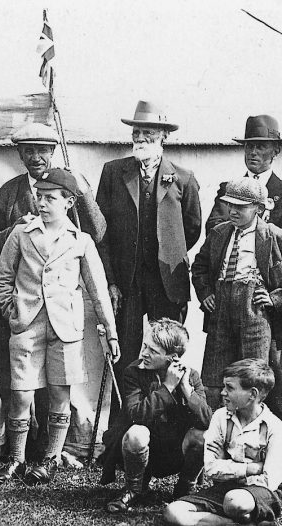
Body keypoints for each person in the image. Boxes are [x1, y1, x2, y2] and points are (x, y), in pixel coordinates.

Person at [0, 122, 106, 461]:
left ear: (53, 152)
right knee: (16, 383)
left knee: (58, 382)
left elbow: (97, 233)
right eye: (29, 150)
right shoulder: (10, 192)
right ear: (20, 154)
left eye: (42, 150)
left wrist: (81, 192)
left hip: (59, 313)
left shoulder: (69, 189)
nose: (36, 156)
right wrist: (13, 230)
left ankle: (51, 451)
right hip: (23, 308)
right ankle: (15, 449)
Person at [0, 168, 120, 485]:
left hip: (66, 329)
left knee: (60, 395)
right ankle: (15, 459)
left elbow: (98, 291)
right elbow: (2, 279)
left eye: (50, 198)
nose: (42, 203)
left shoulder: (81, 241)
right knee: (21, 396)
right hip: (27, 327)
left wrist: (111, 331)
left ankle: (49, 460)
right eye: (40, 196)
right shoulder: (21, 234)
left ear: (69, 202)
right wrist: (13, 312)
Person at [204, 115, 282, 429]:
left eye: (261, 147)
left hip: (268, 305)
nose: (254, 153)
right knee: (229, 370)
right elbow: (212, 237)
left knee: (272, 374)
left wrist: (275, 296)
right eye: (249, 147)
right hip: (229, 301)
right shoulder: (227, 189)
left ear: (275, 152)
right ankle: (231, 436)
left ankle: (276, 437)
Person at [95, 100, 202, 381]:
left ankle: (164, 421)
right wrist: (110, 281)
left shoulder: (183, 178)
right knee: (126, 357)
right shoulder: (113, 173)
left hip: (166, 282)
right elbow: (100, 233)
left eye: (149, 133)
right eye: (137, 132)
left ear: (163, 136)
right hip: (126, 283)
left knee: (166, 354)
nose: (141, 138)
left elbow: (191, 229)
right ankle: (124, 421)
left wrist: (166, 252)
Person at [192, 177, 282, 416]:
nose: (233, 211)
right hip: (221, 312)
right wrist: (205, 293)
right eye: (230, 205)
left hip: (255, 313)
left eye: (241, 206)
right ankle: (220, 435)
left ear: (258, 208)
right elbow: (199, 266)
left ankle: (259, 438)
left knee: (255, 376)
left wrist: (277, 298)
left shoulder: (274, 235)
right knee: (215, 377)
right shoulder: (219, 233)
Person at [162, 358, 282, 526]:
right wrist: (249, 469)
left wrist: (233, 474)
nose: (223, 393)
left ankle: (245, 514)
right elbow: (211, 468)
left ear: (252, 394)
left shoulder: (273, 427)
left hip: (262, 493)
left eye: (230, 388)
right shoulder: (220, 418)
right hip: (226, 488)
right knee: (173, 512)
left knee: (234, 502)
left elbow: (271, 479)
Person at [99, 319, 212, 510]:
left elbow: (208, 420)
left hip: (175, 451)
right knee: (136, 433)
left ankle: (185, 487)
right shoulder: (134, 372)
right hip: (144, 450)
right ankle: (134, 488)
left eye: (153, 351)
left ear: (172, 357)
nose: (144, 353)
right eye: (145, 346)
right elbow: (137, 415)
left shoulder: (191, 375)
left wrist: (186, 389)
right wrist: (167, 387)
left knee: (203, 436)